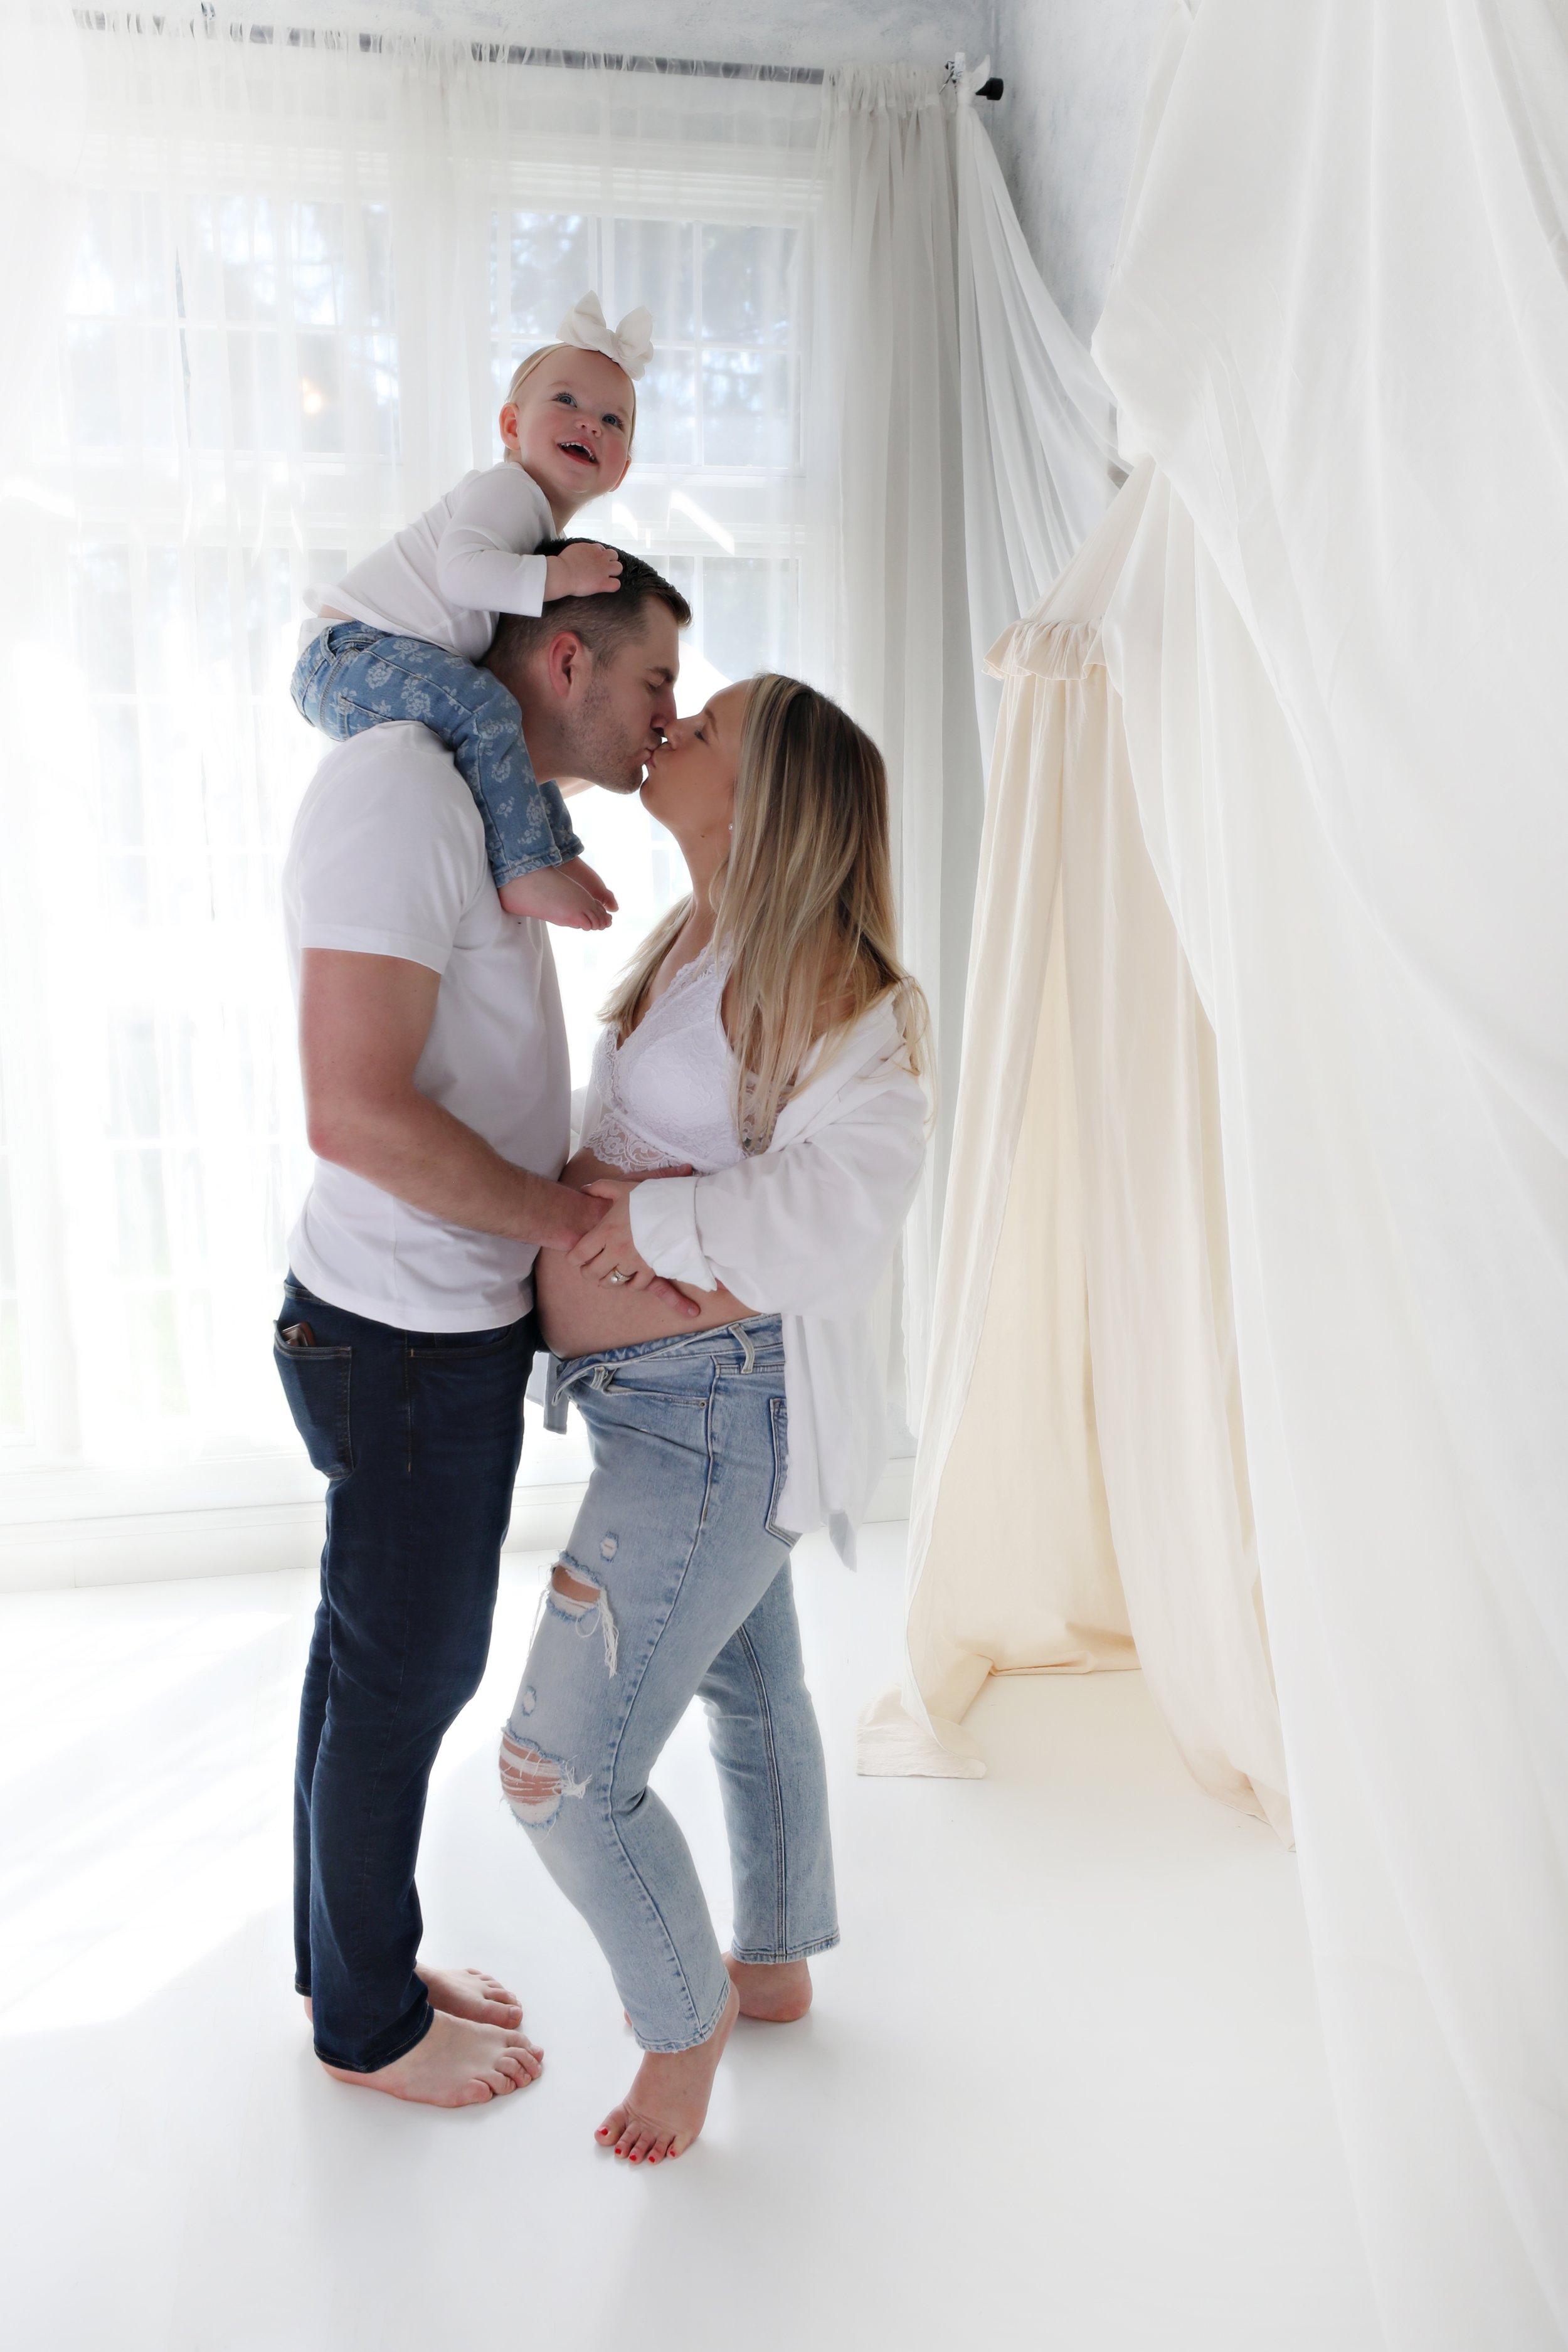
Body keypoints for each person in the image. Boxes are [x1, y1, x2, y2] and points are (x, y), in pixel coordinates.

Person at [275, 547, 700, 2110]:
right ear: (572, 664)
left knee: (365, 1666)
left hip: (424, 1327)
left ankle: (349, 1962)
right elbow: (357, 1110)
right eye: (656, 682)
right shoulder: (401, 788)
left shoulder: (471, 789)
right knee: (405, 1677)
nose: (671, 718)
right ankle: (368, 2028)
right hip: (395, 1336)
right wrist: (581, 1228)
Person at [497, 673, 930, 2163]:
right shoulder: (694, 937)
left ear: (770, 795)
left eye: (711, 724)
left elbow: (841, 1215)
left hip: (707, 1420)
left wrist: (652, 1220)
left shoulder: (824, 973)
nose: (671, 725)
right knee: (754, 1693)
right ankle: (775, 1955)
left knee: (557, 1772)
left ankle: (683, 2027)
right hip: (660, 1407)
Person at [290, 292, 652, 931]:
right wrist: (562, 574)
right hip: (347, 654)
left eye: (613, 420)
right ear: (512, 427)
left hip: (371, 658)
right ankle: (523, 867)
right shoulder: (508, 490)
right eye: (565, 401)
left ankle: (552, 850)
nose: (589, 423)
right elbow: (462, 574)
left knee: (505, 719)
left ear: (621, 471)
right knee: (486, 710)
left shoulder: (532, 521)